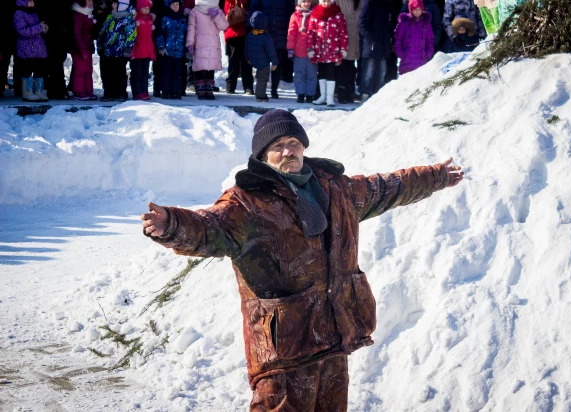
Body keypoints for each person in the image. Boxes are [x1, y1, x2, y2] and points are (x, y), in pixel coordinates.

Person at [141, 109, 464, 411]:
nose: (287, 152)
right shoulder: (247, 202)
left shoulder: (336, 188)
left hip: (335, 331)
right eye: (277, 146)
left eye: (293, 143)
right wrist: (171, 224)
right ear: (262, 155)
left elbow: (386, 188)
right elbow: (210, 226)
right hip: (284, 346)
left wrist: (433, 177)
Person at [247, 0, 296, 98]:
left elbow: (291, 11)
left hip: (281, 31)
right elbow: (253, 10)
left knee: (277, 62)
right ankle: (261, 90)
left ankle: (274, 90)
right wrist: (250, 26)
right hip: (264, 32)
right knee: (262, 62)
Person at [307, 0, 348, 107]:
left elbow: (343, 32)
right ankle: (322, 96)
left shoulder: (338, 15)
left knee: (331, 73)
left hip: (332, 49)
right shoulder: (315, 14)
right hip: (319, 50)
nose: (326, 3)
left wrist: (343, 48)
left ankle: (330, 97)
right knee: (321, 73)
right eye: (324, 1)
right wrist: (310, 49)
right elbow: (311, 32)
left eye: (328, 1)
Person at [358, 0, 400, 103]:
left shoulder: (388, 4)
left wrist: (390, 36)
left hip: (384, 43)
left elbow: (392, 23)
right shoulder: (368, 2)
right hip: (371, 43)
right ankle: (365, 94)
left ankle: (378, 97)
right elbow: (361, 24)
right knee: (368, 72)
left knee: (382, 72)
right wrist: (372, 38)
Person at [186, 0, 228, 100]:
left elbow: (224, 26)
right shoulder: (195, 11)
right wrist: (190, 43)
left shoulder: (217, 10)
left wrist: (216, 16)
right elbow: (191, 28)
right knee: (200, 66)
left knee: (210, 66)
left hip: (212, 43)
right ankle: (200, 90)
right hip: (200, 43)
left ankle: (208, 90)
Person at [98, 0, 135, 101]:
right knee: (107, 73)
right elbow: (102, 32)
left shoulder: (128, 19)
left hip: (120, 52)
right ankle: (108, 92)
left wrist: (127, 50)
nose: (112, 5)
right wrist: (100, 45)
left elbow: (131, 35)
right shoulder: (110, 17)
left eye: (115, 3)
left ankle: (121, 92)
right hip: (108, 51)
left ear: (122, 6)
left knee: (120, 73)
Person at [14, 0, 49, 102]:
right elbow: (22, 31)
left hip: (37, 47)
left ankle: (38, 91)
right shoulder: (19, 13)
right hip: (26, 47)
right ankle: (27, 92)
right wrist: (39, 28)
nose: (33, 3)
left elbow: (36, 27)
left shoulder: (33, 13)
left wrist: (43, 28)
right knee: (27, 69)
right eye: (30, 1)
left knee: (39, 69)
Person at [37, 0, 73, 100]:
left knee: (59, 60)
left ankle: (58, 89)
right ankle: (57, 89)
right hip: (51, 32)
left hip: (60, 31)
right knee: (55, 61)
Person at [220, 0, 254, 95]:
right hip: (243, 32)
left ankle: (230, 87)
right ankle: (248, 87)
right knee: (245, 62)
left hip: (232, 33)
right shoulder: (247, 2)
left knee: (233, 62)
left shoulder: (228, 2)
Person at [155, 0, 188, 99]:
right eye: (173, 4)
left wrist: (186, 48)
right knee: (166, 71)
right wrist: (161, 47)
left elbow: (186, 34)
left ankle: (176, 90)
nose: (175, 7)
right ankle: (166, 90)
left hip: (179, 51)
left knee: (177, 72)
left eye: (177, 4)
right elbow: (159, 33)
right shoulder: (164, 18)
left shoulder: (182, 19)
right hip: (167, 51)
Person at [287, 0, 318, 103]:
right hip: (299, 51)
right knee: (299, 74)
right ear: (299, 2)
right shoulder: (295, 16)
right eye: (304, 1)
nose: (306, 3)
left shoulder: (315, 14)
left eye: (308, 1)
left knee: (312, 74)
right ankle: (300, 94)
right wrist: (291, 49)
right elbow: (291, 34)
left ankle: (310, 95)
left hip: (312, 51)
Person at [393, 0, 434, 75]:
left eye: (419, 9)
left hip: (421, 61)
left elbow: (430, 40)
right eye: (415, 9)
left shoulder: (426, 23)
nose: (417, 12)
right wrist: (401, 54)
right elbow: (397, 39)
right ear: (411, 9)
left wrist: (427, 54)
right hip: (406, 63)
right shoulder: (404, 22)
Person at [245, 11, 278, 102]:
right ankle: (260, 95)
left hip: (253, 60)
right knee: (263, 78)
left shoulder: (250, 35)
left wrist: (247, 58)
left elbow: (246, 48)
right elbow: (271, 51)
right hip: (264, 62)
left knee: (259, 77)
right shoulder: (266, 36)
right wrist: (274, 62)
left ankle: (260, 92)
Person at [334, 0, 360, 104]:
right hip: (341, 38)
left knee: (351, 67)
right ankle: (341, 92)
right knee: (341, 67)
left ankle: (350, 91)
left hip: (356, 39)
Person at [71, 0, 97, 100]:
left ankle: (88, 90)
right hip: (79, 47)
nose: (91, 2)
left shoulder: (88, 13)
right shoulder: (78, 14)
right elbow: (76, 33)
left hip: (88, 45)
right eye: (88, 0)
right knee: (80, 70)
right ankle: (79, 91)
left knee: (88, 70)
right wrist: (81, 49)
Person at [131, 0, 156, 100]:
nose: (146, 10)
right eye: (144, 8)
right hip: (137, 51)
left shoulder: (149, 19)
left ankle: (144, 91)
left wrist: (152, 52)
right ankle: (137, 92)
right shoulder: (135, 19)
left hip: (147, 51)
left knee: (145, 73)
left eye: (148, 8)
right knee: (137, 73)